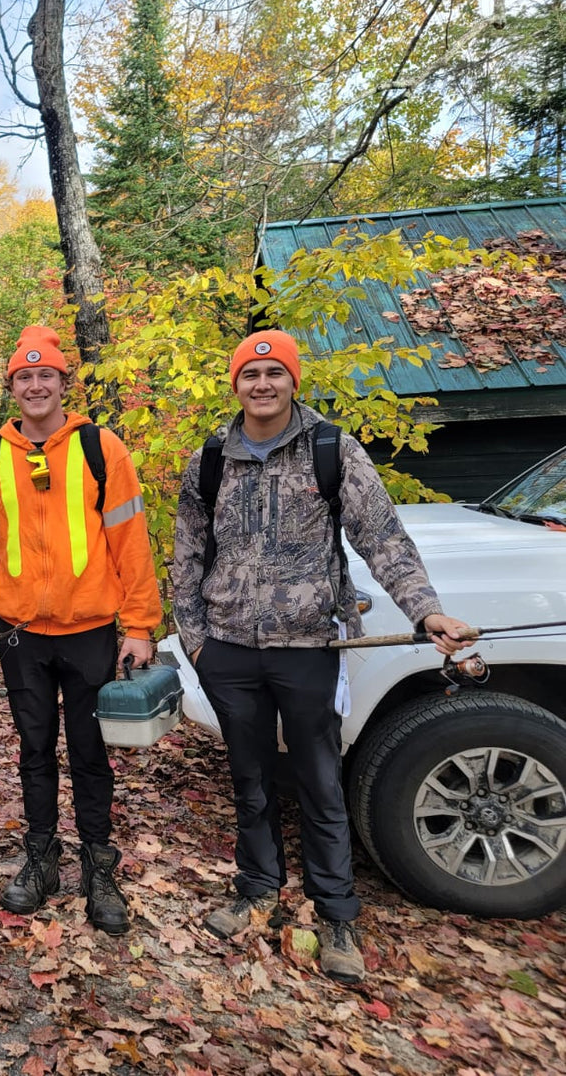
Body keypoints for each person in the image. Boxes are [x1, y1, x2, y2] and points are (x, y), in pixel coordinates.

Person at [171, 329, 474, 984]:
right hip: (227, 649)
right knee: (249, 779)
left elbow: (382, 538)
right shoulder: (212, 458)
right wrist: (195, 640)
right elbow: (186, 555)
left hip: (306, 648)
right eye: (249, 375)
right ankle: (255, 886)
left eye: (273, 373)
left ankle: (336, 911)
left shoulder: (331, 450)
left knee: (317, 777)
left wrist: (426, 611)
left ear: (291, 381)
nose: (261, 384)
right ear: (235, 384)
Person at [0, 326, 163, 933]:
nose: (35, 385)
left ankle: (99, 868)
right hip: (22, 632)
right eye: (23, 377)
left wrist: (140, 625)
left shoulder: (102, 449)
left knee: (91, 752)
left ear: (62, 383)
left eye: (44, 374)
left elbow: (131, 541)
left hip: (91, 629)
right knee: (34, 750)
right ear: (12, 389)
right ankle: (41, 859)